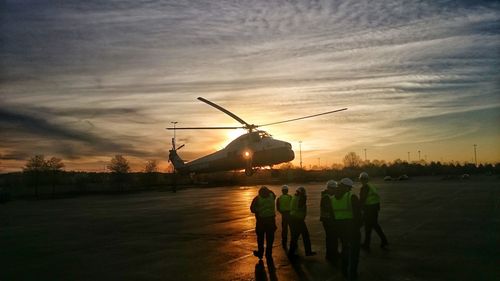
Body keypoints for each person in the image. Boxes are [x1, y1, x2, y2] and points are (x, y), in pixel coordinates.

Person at [331, 178, 362, 280]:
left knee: (345, 250)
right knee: (354, 254)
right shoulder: (351, 196)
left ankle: (344, 271)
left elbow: (332, 217)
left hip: (340, 230)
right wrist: (358, 227)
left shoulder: (333, 199)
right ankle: (352, 275)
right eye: (349, 188)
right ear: (347, 187)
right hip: (352, 230)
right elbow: (358, 215)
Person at [359, 172, 388, 250]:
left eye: (362, 179)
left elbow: (362, 200)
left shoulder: (365, 188)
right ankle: (366, 244)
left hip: (369, 209)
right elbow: (376, 197)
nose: (362, 181)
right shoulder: (371, 186)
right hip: (374, 208)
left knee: (373, 226)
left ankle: (384, 241)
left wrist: (359, 209)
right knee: (369, 227)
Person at [288, 186, 316, 258]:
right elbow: (300, 207)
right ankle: (307, 251)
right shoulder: (300, 199)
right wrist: (304, 199)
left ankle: (292, 252)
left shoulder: (295, 197)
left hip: (294, 218)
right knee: (304, 236)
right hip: (298, 219)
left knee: (295, 236)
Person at [250, 186, 277, 259]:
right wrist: (269, 191)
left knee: (260, 238)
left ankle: (260, 253)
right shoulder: (272, 197)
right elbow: (274, 194)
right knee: (270, 238)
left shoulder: (257, 198)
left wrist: (258, 210)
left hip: (261, 221)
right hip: (271, 220)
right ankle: (269, 253)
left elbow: (252, 209)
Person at [320, 180, 339, 262]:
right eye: (333, 189)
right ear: (329, 188)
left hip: (330, 220)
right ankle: (330, 254)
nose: (335, 190)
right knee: (331, 238)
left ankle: (334, 252)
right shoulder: (326, 197)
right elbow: (327, 208)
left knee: (333, 237)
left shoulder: (329, 196)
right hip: (328, 220)